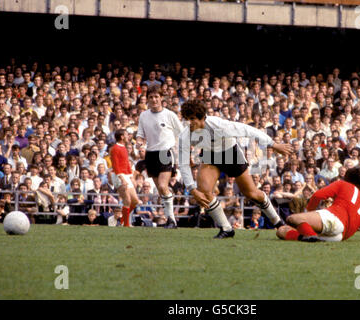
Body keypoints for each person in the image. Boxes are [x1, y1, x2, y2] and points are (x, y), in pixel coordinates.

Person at [179, 99, 291, 239]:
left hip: (231, 153)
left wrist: (273, 144)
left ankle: (278, 222)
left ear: (202, 117)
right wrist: (192, 189)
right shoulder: (185, 134)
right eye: (187, 119)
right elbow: (183, 163)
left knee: (251, 193)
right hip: (210, 156)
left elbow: (247, 130)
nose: (189, 123)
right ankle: (226, 228)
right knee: (204, 192)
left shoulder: (219, 125)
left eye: (192, 119)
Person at [276, 167, 360, 242]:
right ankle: (307, 237)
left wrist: (308, 213)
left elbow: (317, 196)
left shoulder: (344, 184)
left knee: (292, 219)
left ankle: (310, 235)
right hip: (339, 236)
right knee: (281, 231)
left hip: (334, 219)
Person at [136, 86, 184, 229]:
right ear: (147, 99)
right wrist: (139, 141)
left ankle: (171, 220)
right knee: (161, 191)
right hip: (151, 154)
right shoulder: (144, 115)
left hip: (165, 153)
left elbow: (181, 133)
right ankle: (170, 220)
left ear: (161, 98)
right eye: (151, 97)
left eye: (157, 97)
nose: (154, 100)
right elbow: (140, 134)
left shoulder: (170, 115)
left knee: (163, 186)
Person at [110, 129, 139, 227]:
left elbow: (126, 164)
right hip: (119, 176)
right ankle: (126, 224)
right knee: (127, 200)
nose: (128, 136)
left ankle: (122, 220)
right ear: (122, 136)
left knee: (135, 200)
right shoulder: (115, 148)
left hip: (126, 175)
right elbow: (115, 165)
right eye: (126, 135)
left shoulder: (124, 148)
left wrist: (131, 177)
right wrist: (122, 178)